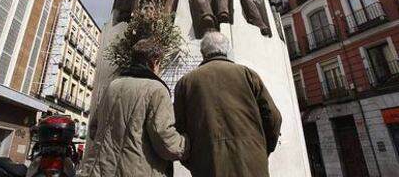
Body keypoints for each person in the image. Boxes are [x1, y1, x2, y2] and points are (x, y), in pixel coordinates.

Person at [174, 32, 282, 177]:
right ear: (227, 50)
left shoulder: (185, 83)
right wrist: (262, 148)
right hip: (252, 162)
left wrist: (192, 159)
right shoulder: (248, 75)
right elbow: (274, 117)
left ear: (203, 53)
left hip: (207, 164)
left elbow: (179, 127)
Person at [79, 38, 189, 177]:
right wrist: (186, 144)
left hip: (97, 171)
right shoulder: (156, 89)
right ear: (155, 62)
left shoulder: (113, 85)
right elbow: (165, 141)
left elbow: (94, 128)